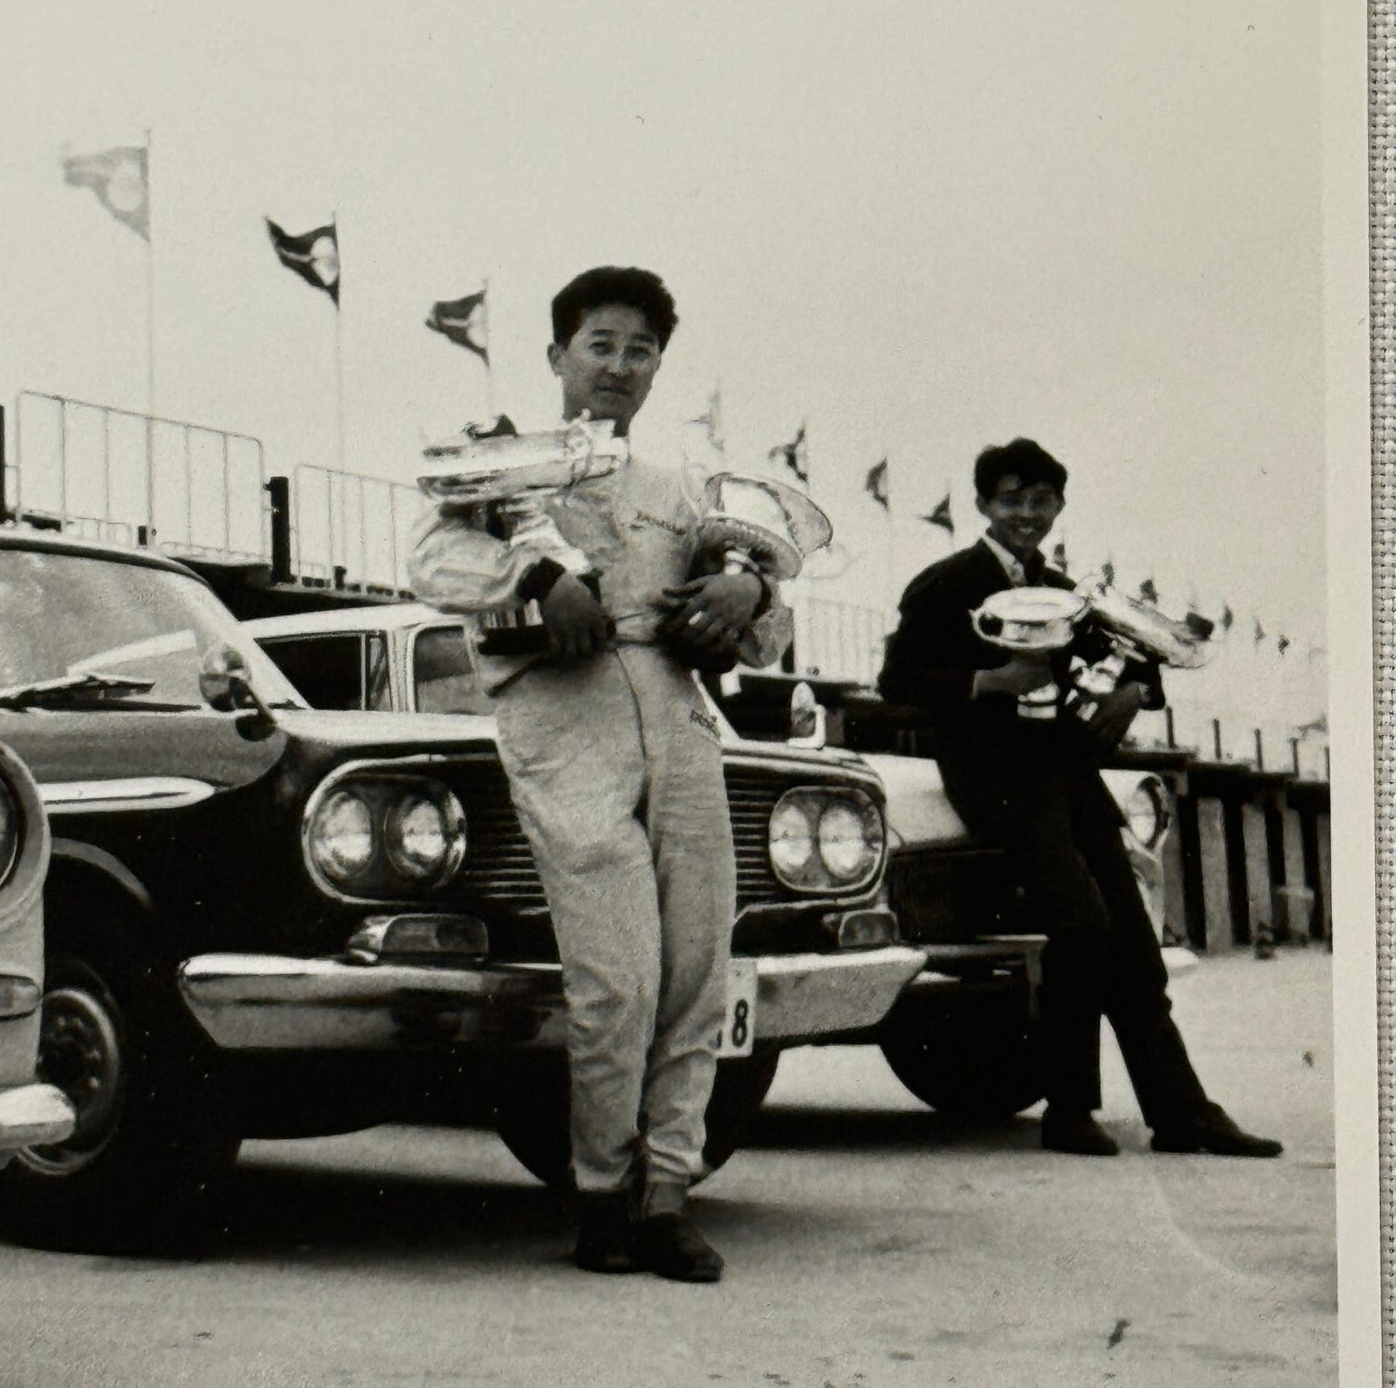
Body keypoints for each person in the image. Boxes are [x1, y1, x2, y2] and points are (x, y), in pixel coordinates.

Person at [409, 267, 790, 1279]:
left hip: (679, 716)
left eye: (639, 350)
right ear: (557, 356)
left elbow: (762, 622)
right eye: (600, 344)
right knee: (616, 976)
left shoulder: (682, 487)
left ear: (657, 367)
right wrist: (538, 576)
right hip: (561, 717)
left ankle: (667, 1197)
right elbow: (430, 559)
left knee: (696, 970)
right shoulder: (507, 464)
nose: (618, 365)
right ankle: (600, 1196)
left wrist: (745, 593)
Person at [878, 438, 1282, 1159]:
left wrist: (1132, 694)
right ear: (983, 505)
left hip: (1065, 771)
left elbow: (1137, 662)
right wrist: (990, 682)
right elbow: (896, 682)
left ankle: (1180, 1114)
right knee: (1080, 922)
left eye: (1041, 501)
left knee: (1133, 936)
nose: (1026, 514)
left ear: (1059, 506)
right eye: (1011, 500)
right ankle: (1068, 1111)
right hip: (991, 775)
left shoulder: (1068, 593)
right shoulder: (945, 583)